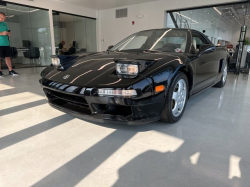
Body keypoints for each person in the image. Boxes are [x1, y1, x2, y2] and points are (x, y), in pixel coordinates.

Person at [0, 12, 18, 77]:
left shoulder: (4, 24)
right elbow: (2, 33)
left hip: (6, 43)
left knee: (8, 57)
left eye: (4, 18)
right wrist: (2, 33)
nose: (3, 20)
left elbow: (8, 32)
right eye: (2, 18)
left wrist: (8, 33)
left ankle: (11, 71)